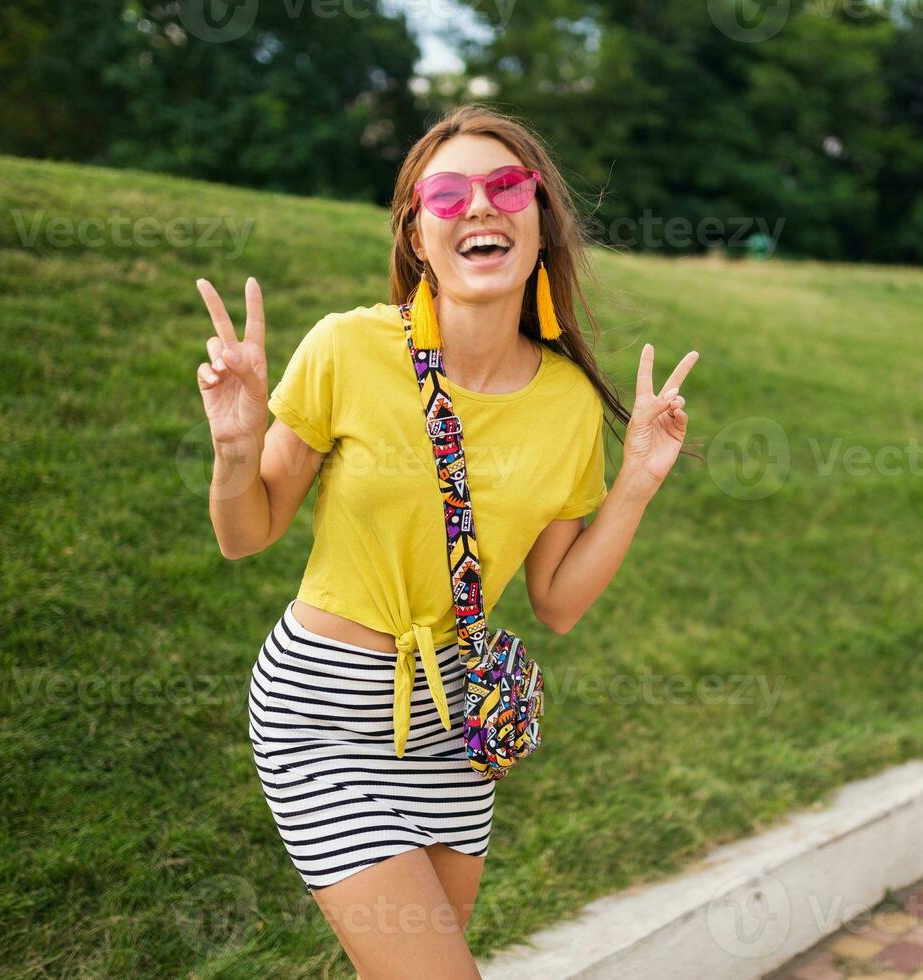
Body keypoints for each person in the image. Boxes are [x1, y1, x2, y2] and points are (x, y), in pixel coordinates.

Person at [194, 104, 699, 979]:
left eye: (508, 187)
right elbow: (247, 534)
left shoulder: (571, 403)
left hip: (453, 726)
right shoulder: (349, 348)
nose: (481, 207)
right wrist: (236, 454)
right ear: (418, 234)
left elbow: (559, 603)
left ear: (542, 224)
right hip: (321, 714)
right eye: (448, 192)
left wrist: (637, 483)